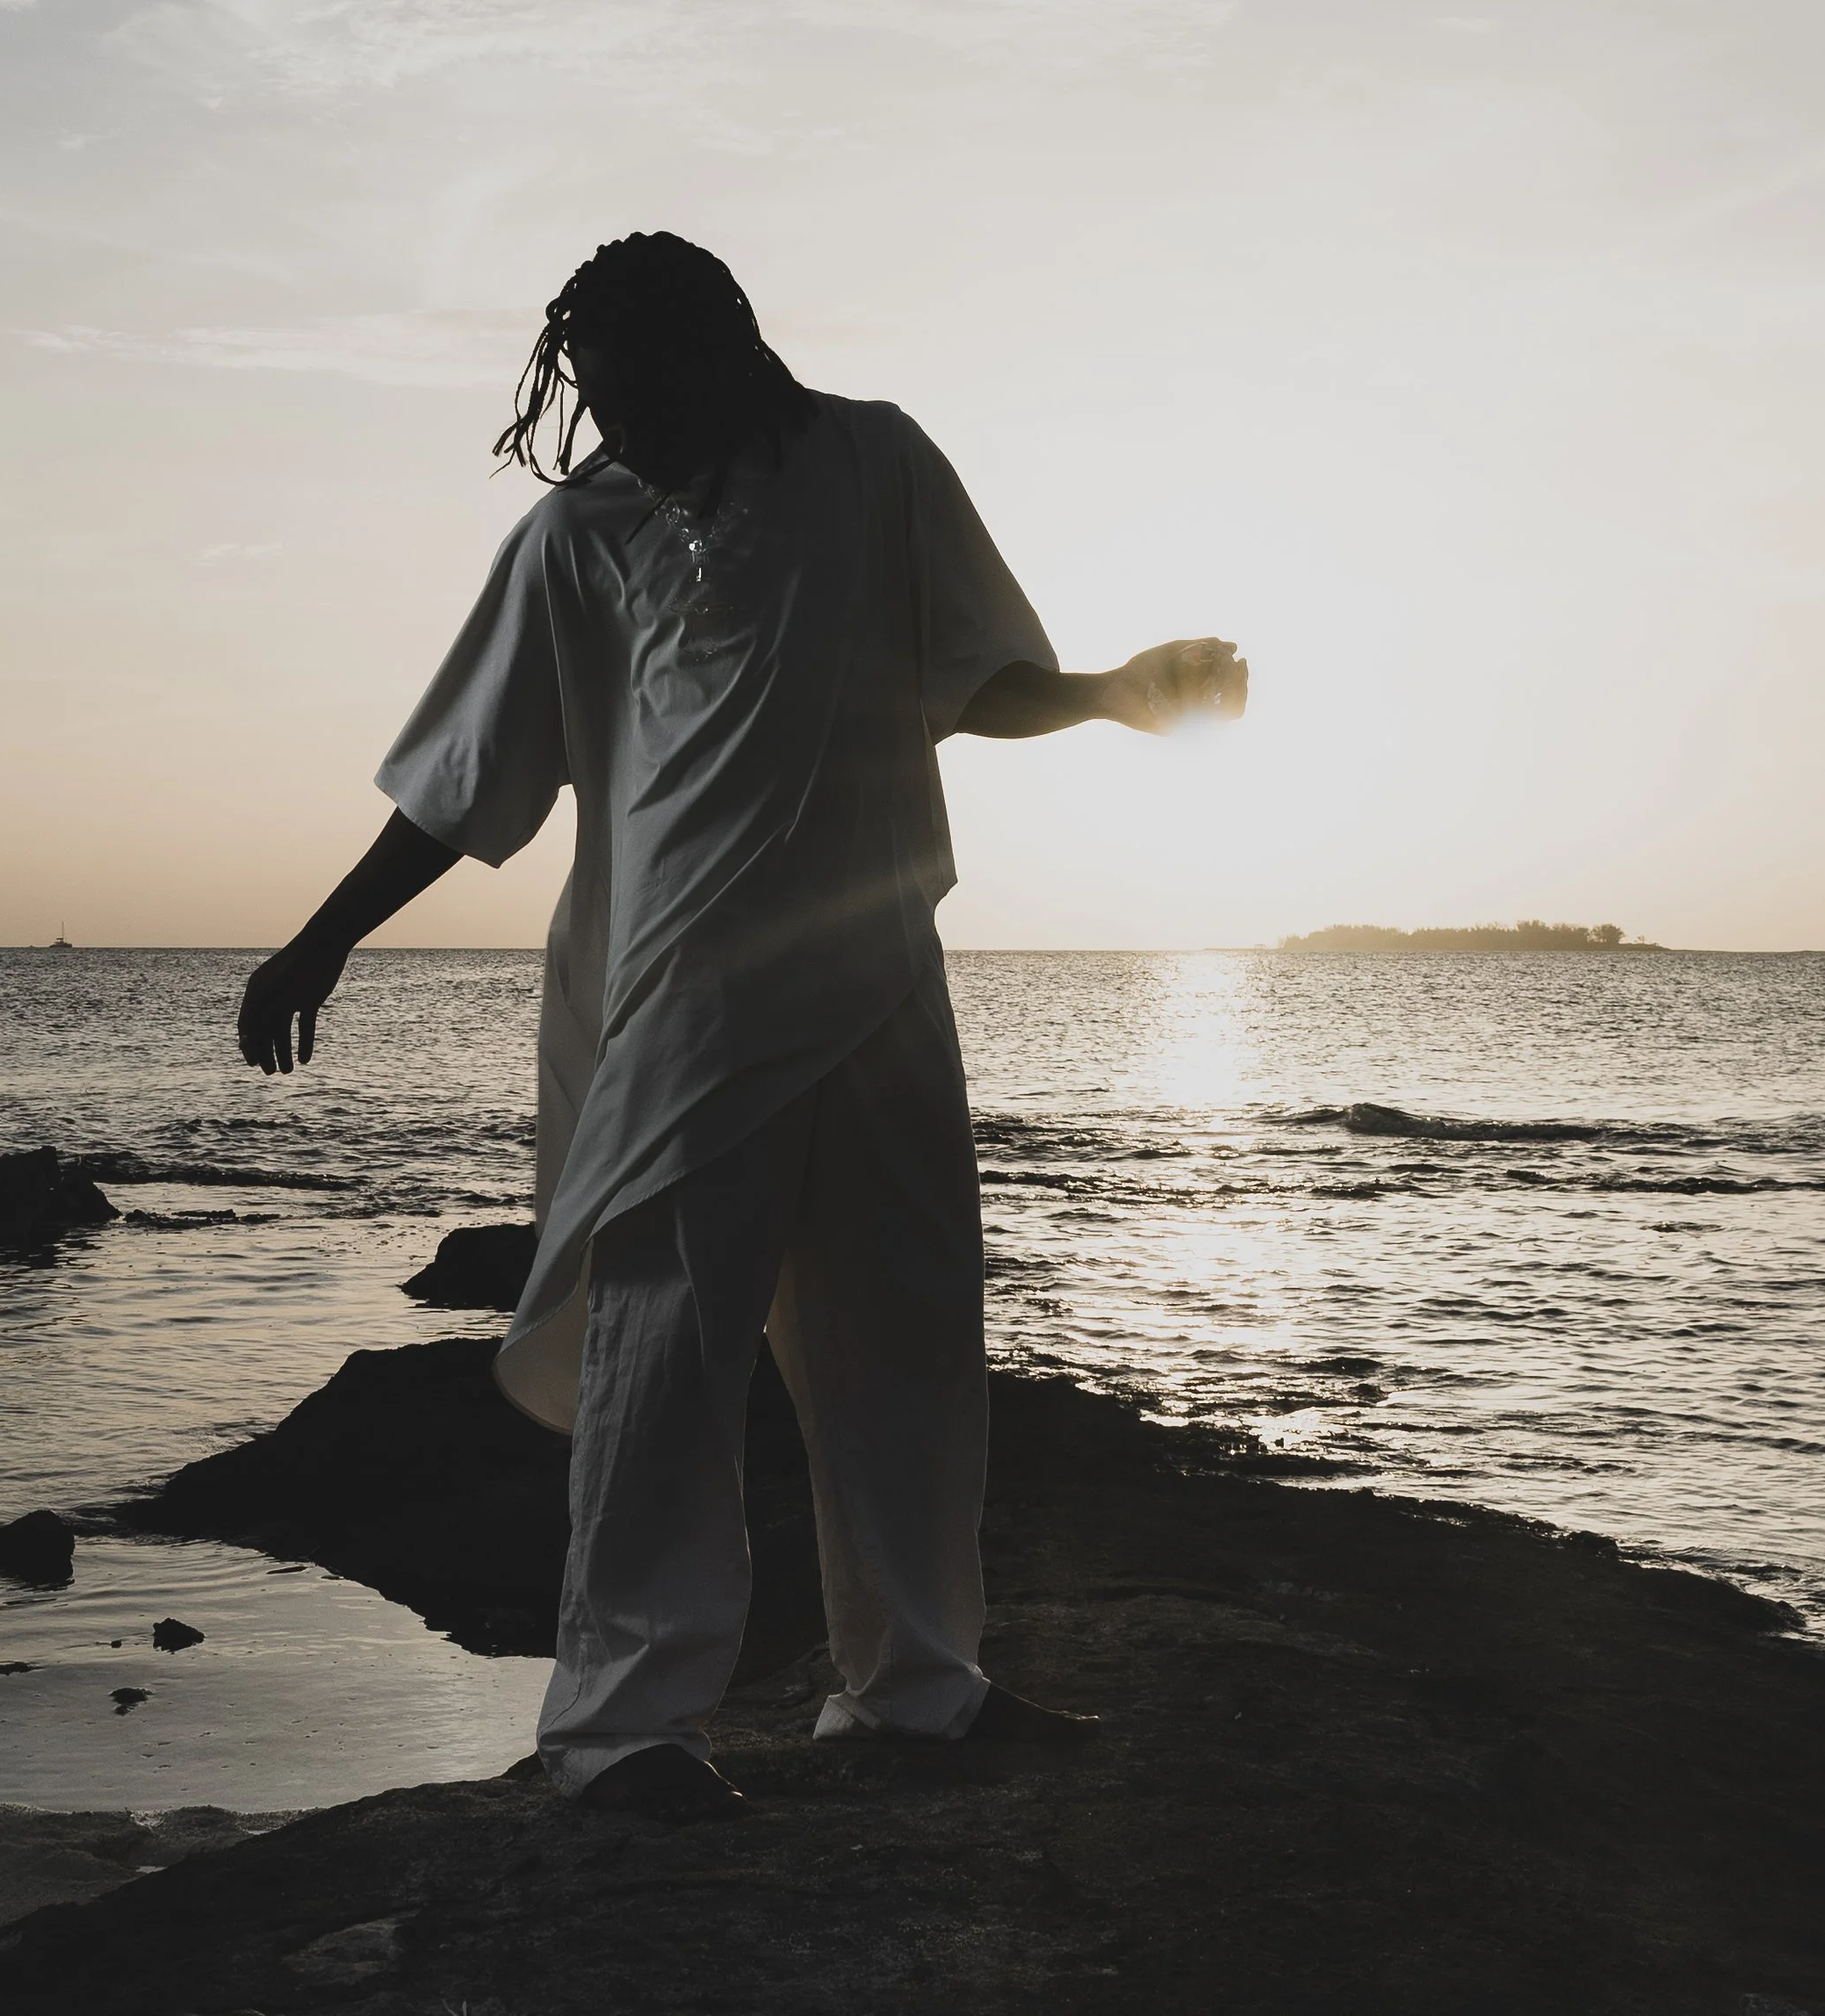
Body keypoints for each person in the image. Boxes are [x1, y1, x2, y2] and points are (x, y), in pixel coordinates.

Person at [237, 233, 1246, 1823]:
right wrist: (319, 939)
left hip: (878, 968)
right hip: (686, 996)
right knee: (664, 1354)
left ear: (727, 347)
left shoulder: (877, 461)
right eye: (593, 388)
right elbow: (464, 782)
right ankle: (624, 1733)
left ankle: (917, 1688)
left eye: (640, 379)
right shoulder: (577, 537)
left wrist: (1117, 692)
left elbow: (971, 675)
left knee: (905, 1335)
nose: (615, 415)